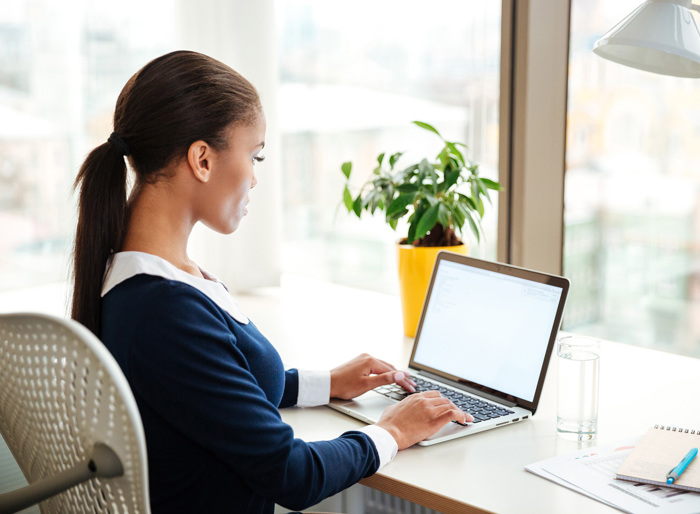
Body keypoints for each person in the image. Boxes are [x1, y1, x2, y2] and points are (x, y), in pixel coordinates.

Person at [71, 50, 471, 514]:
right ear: (202, 159)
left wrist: (328, 382)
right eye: (254, 156)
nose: (255, 179)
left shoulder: (142, 278)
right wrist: (393, 432)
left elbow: (218, 394)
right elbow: (292, 474)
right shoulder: (165, 312)